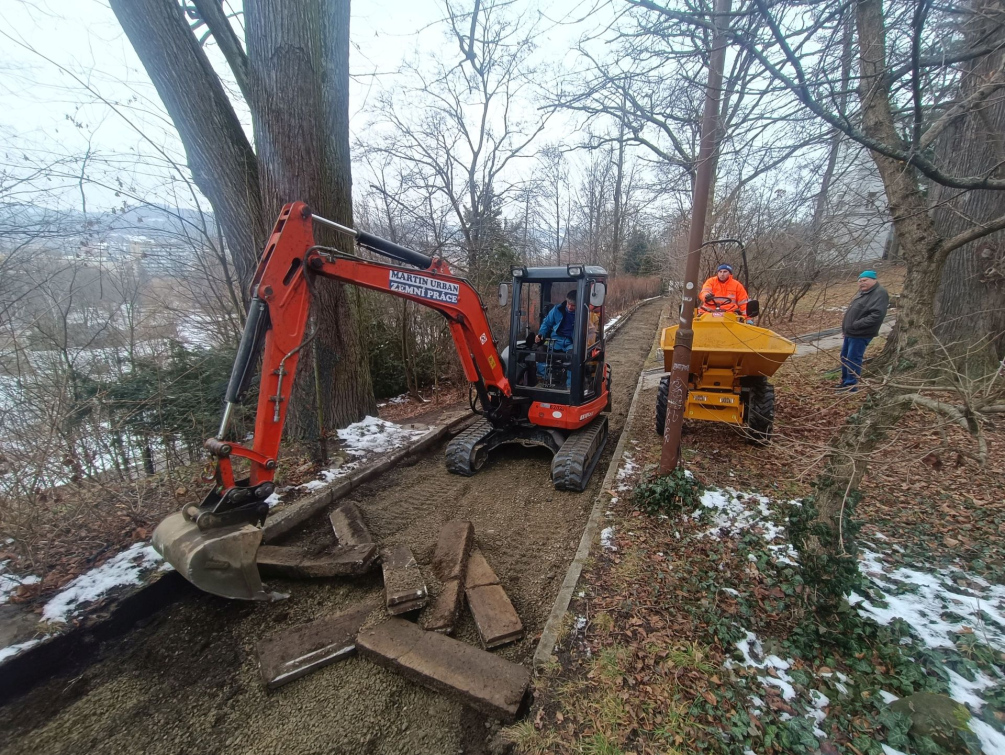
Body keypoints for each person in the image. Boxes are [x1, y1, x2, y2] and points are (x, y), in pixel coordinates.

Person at [839, 270, 890, 391]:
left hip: (861, 333)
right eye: (860, 281)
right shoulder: (863, 292)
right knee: (844, 357)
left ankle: (851, 386)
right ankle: (845, 381)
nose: (862, 283)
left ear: (874, 280)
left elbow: (877, 315)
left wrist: (856, 325)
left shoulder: (879, 293)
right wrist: (846, 329)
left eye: (865, 280)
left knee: (853, 358)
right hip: (851, 332)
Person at [536, 290, 577, 384]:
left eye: (573, 305)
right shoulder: (557, 310)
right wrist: (541, 334)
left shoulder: (582, 314)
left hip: (571, 343)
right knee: (541, 351)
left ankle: (570, 386)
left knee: (574, 356)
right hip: (555, 341)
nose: (570, 307)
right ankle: (543, 379)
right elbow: (546, 323)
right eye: (569, 304)